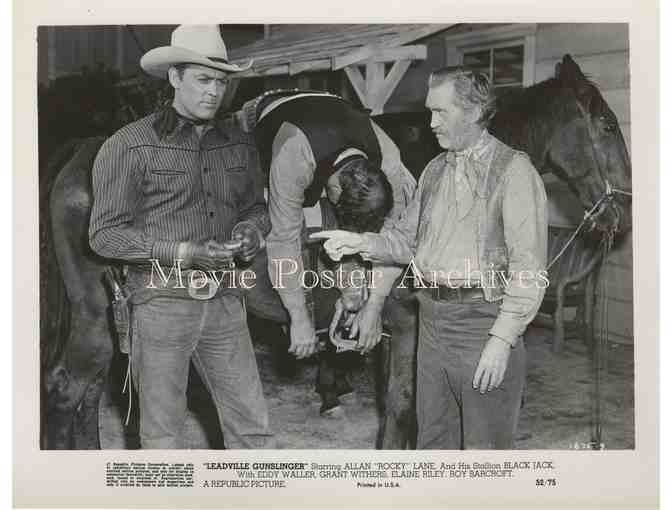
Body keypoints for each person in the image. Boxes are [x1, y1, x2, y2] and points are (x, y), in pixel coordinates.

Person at [313, 68, 548, 449]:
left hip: (481, 321)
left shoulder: (514, 171)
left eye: (440, 112)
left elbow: (530, 269)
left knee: (482, 452)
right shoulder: (435, 170)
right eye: (430, 112)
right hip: (431, 321)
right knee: (431, 444)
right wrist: (359, 243)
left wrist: (502, 340)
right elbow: (407, 240)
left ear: (472, 112)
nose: (431, 123)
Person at [88, 25, 273, 449]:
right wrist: (184, 252)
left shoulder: (238, 144)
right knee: (162, 433)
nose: (214, 92)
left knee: (253, 428)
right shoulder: (130, 146)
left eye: (221, 82)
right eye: (203, 79)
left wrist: (251, 231)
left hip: (225, 302)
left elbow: (256, 209)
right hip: (159, 302)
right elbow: (104, 236)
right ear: (174, 78)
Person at [238, 91, 419, 438]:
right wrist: (300, 320)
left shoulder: (389, 157)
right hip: (263, 119)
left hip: (334, 115)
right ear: (331, 191)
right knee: (253, 208)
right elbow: (284, 240)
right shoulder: (293, 155)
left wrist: (370, 299)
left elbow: (397, 236)